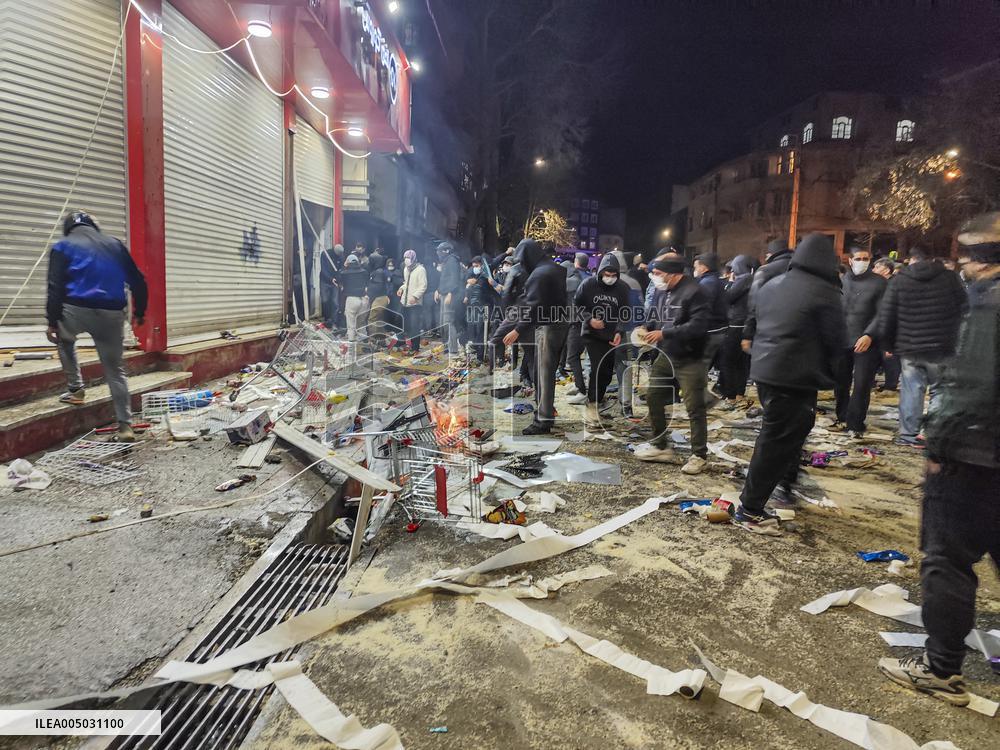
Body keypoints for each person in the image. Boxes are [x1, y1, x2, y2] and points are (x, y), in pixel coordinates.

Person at [877, 212, 1000, 706]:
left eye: (968, 257)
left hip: (973, 456)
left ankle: (941, 667)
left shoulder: (989, 310)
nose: (963, 267)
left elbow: (971, 387)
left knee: (948, 558)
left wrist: (937, 443)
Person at [733, 234, 847, 530]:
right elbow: (837, 340)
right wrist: (835, 376)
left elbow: (755, 319)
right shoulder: (825, 291)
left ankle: (768, 493)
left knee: (780, 436)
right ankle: (751, 508)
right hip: (796, 376)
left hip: (766, 370)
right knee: (777, 440)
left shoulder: (772, 284)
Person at [46, 211, 148, 443]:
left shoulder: (62, 246)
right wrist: (140, 312)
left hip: (75, 310)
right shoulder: (114, 244)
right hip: (111, 314)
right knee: (115, 370)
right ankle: (125, 426)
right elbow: (138, 281)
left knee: (64, 339)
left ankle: (76, 390)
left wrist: (52, 322)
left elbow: (55, 287)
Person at [877, 245, 967, 446]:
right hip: (942, 346)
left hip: (909, 347)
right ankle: (933, 434)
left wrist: (888, 344)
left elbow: (887, 315)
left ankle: (909, 435)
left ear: (911, 259)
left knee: (911, 391)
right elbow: (964, 309)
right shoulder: (949, 278)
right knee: (939, 391)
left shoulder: (900, 280)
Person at [635, 253, 711, 475]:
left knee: (694, 407)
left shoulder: (696, 292)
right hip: (666, 355)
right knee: (653, 397)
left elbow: (698, 327)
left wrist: (664, 333)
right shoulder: (662, 290)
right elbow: (657, 316)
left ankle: (699, 455)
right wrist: (646, 328)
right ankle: (660, 445)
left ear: (673, 273)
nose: (655, 278)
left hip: (690, 358)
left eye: (658, 274)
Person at [502, 239, 567, 434]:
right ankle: (545, 415)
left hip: (547, 327)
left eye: (522, 261)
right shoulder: (555, 268)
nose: (521, 265)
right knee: (546, 373)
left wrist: (517, 330)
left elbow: (532, 307)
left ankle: (542, 421)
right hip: (560, 323)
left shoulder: (538, 275)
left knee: (543, 375)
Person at [832, 246, 886, 437]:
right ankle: (842, 415)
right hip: (842, 339)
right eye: (859, 258)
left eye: (866, 258)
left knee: (862, 383)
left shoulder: (879, 283)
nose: (863, 262)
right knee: (840, 381)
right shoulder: (841, 281)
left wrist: (869, 334)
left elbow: (882, 313)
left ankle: (855, 422)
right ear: (850, 260)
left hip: (866, 341)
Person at [570, 254, 629, 427]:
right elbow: (576, 305)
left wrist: (619, 330)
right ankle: (592, 405)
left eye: (613, 275)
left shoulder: (622, 288)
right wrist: (589, 319)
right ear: (600, 272)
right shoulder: (588, 284)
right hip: (591, 334)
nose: (610, 278)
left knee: (606, 372)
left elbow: (624, 312)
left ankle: (596, 401)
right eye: (607, 274)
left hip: (611, 335)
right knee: (597, 367)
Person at [610, 250, 644, 417]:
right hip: (630, 331)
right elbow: (640, 308)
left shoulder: (608, 282)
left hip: (610, 332)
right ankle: (626, 405)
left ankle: (596, 402)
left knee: (601, 366)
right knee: (626, 367)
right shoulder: (634, 283)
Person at [741, 237, 791, 350]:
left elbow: (754, 303)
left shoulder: (765, 271)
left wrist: (748, 333)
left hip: (768, 329)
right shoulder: (799, 269)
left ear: (770, 255)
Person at [717, 254, 754, 405]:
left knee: (729, 361)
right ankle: (739, 392)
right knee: (742, 362)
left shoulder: (743, 280)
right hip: (746, 325)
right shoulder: (753, 279)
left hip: (735, 325)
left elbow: (728, 298)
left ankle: (731, 395)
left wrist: (730, 283)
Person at [693, 252, 728, 400]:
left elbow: (702, 308)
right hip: (718, 329)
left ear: (704, 267)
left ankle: (700, 399)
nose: (694, 269)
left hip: (710, 331)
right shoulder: (717, 281)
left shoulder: (707, 283)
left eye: (696, 266)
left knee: (700, 366)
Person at [562, 253, 590, 394]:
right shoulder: (589, 277)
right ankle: (579, 384)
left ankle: (581, 389)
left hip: (576, 321)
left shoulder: (572, 280)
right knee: (577, 355)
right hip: (587, 321)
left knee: (572, 357)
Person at [872, 258, 900, 391]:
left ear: (887, 270)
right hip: (879, 325)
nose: (874, 270)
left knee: (889, 357)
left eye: (877, 267)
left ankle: (891, 384)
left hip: (889, 326)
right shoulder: (881, 284)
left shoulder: (893, 285)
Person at [463, 256, 496, 365]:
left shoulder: (486, 275)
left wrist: (506, 253)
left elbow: (496, 261)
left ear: (482, 265)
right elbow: (467, 283)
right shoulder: (471, 275)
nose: (475, 268)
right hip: (473, 308)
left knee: (482, 331)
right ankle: (476, 352)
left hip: (485, 307)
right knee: (475, 330)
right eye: (473, 266)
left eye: (477, 266)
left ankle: (480, 356)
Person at [434, 242, 464, 355]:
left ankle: (453, 349)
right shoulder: (446, 261)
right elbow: (444, 279)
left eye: (440, 250)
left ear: (446, 251)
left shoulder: (452, 261)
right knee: (443, 323)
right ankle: (446, 347)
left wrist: (450, 293)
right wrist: (438, 290)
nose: (438, 253)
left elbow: (454, 279)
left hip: (449, 295)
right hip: (443, 294)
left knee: (448, 322)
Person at [397, 249, 427, 352]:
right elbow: (406, 283)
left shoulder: (420, 269)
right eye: (405, 258)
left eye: (408, 258)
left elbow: (423, 286)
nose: (406, 260)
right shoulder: (406, 269)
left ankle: (415, 348)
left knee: (415, 326)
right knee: (403, 324)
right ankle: (402, 343)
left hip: (415, 303)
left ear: (413, 258)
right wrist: (401, 288)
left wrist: (415, 296)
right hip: (405, 301)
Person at [338, 254, 369, 343]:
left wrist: (344, 266)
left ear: (347, 262)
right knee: (362, 324)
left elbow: (339, 281)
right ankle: (364, 346)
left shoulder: (344, 273)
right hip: (364, 299)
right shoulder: (364, 271)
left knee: (351, 325)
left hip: (352, 299)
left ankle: (352, 345)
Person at [365, 252, 390, 346]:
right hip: (380, 298)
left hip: (379, 298)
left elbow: (377, 286)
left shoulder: (378, 272)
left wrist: (368, 291)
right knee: (379, 320)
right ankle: (382, 341)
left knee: (372, 319)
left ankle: (374, 341)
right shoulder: (378, 270)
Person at [385, 255, 404, 331]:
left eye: (392, 265)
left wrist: (394, 278)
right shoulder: (385, 272)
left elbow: (400, 282)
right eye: (389, 265)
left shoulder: (397, 272)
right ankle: (389, 328)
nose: (390, 266)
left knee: (396, 312)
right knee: (388, 312)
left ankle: (396, 328)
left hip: (396, 295)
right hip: (388, 295)